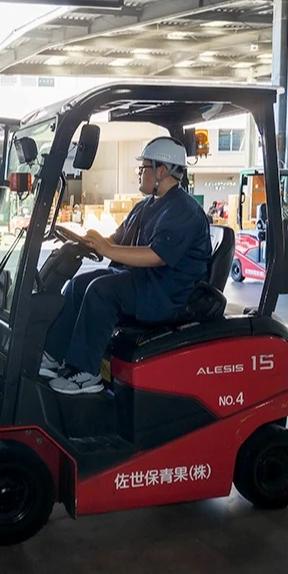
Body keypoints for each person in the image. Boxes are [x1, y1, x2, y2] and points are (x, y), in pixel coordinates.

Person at [40, 136, 213, 395]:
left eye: (143, 167)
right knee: (79, 284)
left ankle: (86, 373)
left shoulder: (183, 211)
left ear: (161, 170)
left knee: (101, 290)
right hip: (144, 282)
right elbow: (117, 240)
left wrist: (107, 249)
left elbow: (157, 256)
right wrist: (91, 242)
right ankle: (53, 355)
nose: (139, 173)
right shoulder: (145, 207)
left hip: (167, 293)